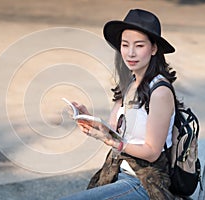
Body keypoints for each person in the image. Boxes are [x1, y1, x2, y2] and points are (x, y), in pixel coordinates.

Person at [61, 9, 179, 199]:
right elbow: (114, 131)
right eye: (125, 45)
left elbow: (151, 152)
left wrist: (112, 142)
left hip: (145, 182)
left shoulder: (160, 91)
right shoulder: (129, 83)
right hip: (116, 172)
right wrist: (89, 119)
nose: (131, 53)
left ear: (154, 48)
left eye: (139, 45)